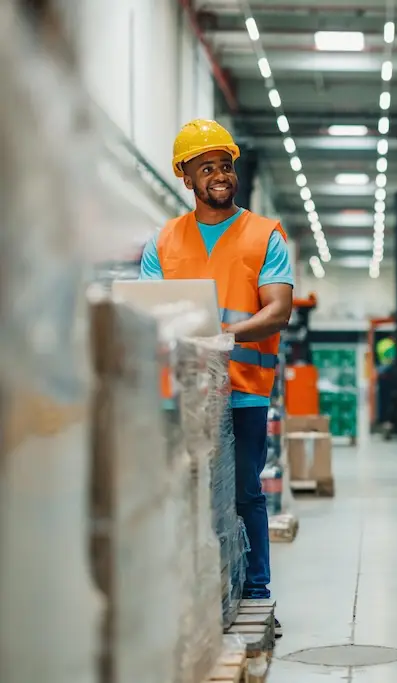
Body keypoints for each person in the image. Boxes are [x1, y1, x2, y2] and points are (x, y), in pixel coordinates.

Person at [140, 119, 293, 638]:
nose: (220, 174)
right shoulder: (165, 240)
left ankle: (253, 591)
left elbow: (278, 311)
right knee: (188, 490)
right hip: (186, 391)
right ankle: (197, 585)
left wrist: (226, 335)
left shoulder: (264, 234)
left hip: (245, 386)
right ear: (186, 177)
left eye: (225, 165)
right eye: (207, 167)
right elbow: (149, 311)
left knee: (244, 491)